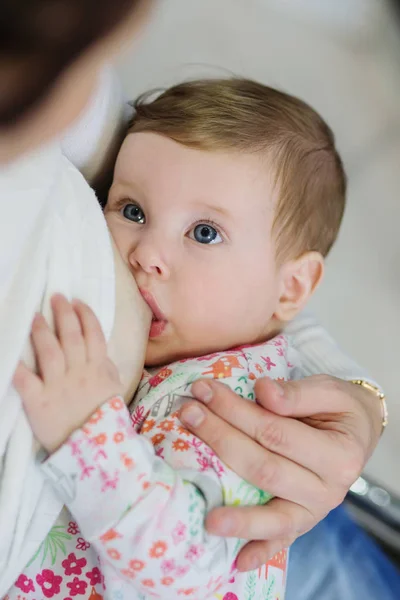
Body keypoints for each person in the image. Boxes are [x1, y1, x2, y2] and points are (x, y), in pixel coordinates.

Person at [0, 0, 388, 597]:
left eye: (204, 233)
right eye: (131, 210)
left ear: (291, 287)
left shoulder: (226, 410)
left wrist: (87, 431)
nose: (145, 254)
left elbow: (185, 572)